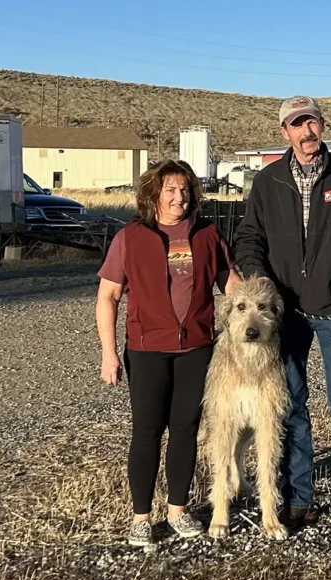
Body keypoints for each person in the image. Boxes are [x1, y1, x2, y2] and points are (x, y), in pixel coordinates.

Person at [233, 95, 331, 542]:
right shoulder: (267, 183)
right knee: (291, 406)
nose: (307, 133)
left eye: (313, 123)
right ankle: (299, 499)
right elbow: (249, 239)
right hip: (285, 313)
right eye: (297, 125)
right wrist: (260, 282)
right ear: (284, 132)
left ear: (322, 127)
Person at [95, 159, 240, 548]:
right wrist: (109, 354)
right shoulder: (131, 237)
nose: (179, 198)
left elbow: (235, 290)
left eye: (185, 190)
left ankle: (177, 510)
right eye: (170, 190)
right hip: (146, 350)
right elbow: (108, 297)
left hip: (196, 348)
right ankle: (142, 518)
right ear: (154, 195)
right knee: (146, 432)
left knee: (185, 430)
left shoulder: (208, 235)